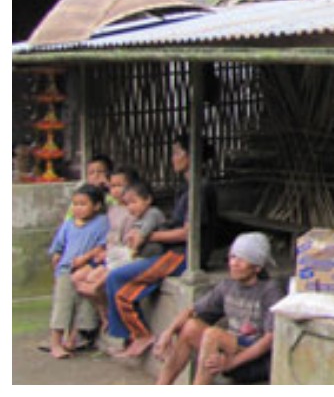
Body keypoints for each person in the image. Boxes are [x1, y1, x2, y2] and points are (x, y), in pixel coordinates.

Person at [104, 133, 214, 358]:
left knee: (119, 281)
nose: (172, 158)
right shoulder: (186, 187)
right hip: (172, 251)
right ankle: (130, 337)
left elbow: (187, 233)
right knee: (115, 276)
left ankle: (141, 335)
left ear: (192, 156)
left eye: (177, 152)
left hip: (185, 255)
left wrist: (151, 237)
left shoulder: (200, 189)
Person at [154, 232, 285, 385]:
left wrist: (232, 362)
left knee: (213, 334)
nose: (233, 263)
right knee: (190, 326)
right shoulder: (227, 286)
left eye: (242, 260)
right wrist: (168, 333)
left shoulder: (270, 290)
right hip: (231, 349)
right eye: (233, 257)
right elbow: (192, 311)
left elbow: (269, 340)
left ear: (257, 267)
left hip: (257, 360)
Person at [71, 167, 140, 327]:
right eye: (112, 186)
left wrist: (109, 254)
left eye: (119, 186)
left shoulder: (134, 211)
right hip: (107, 255)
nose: (115, 190)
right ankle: (103, 313)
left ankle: (110, 317)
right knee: (76, 278)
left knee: (92, 284)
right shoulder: (112, 208)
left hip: (119, 258)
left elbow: (128, 244)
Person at [47, 184, 109, 358]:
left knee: (84, 304)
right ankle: (55, 343)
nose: (78, 208)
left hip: (89, 268)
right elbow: (58, 246)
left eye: (83, 204)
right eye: (75, 204)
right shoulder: (68, 224)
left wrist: (85, 258)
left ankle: (74, 339)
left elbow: (103, 245)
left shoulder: (103, 222)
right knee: (63, 305)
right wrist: (56, 257)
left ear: (96, 206)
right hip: (66, 269)